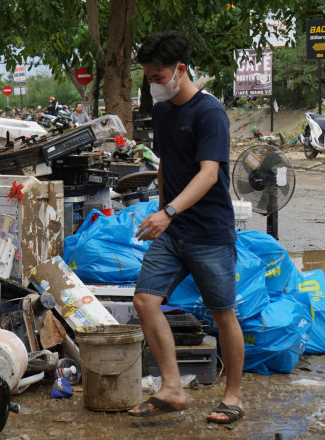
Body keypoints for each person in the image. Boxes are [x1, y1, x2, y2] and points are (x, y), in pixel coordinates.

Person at [127, 30, 244, 425]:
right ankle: (172, 387)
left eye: (159, 77)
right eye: (149, 78)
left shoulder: (209, 113)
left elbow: (209, 174)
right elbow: (166, 164)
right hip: (173, 231)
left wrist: (169, 212)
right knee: (145, 301)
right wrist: (161, 210)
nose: (154, 85)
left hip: (208, 233)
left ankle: (233, 397)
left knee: (222, 313)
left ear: (180, 70)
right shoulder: (162, 112)